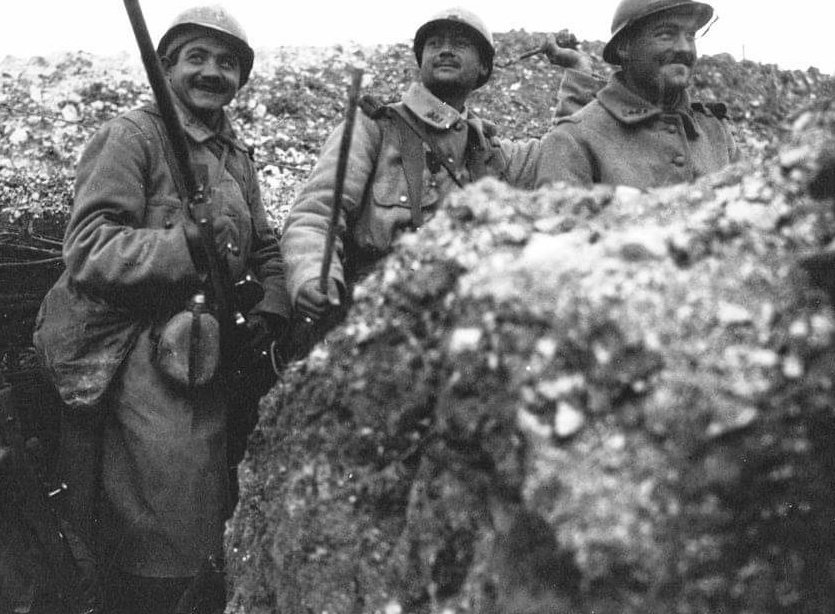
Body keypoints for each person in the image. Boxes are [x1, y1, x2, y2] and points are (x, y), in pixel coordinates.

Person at [32, 5, 291, 613]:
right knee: (166, 524)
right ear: (166, 65)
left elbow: (266, 244)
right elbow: (89, 247)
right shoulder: (133, 136)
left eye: (227, 62)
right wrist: (184, 247)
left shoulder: (236, 156)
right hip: (140, 347)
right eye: (196, 57)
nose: (212, 72)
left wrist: (274, 305)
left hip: (214, 349)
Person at [280, 7, 604, 325]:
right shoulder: (374, 128)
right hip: (371, 317)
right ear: (421, 61)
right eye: (435, 44)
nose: (445, 50)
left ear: (483, 69)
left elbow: (561, 148)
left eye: (460, 44)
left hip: (459, 322)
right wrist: (312, 277)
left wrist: (577, 71)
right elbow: (317, 214)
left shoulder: (487, 151)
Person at [535, 0, 739, 189]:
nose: (684, 48)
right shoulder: (573, 138)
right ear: (625, 46)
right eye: (666, 35)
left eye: (690, 36)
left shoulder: (716, 132)